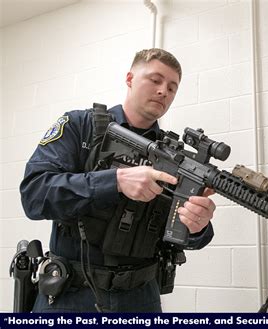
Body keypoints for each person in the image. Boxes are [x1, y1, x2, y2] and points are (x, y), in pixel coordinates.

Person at [20, 48, 217, 312]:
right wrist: (115, 181)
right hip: (71, 296)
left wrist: (197, 227)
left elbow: (183, 238)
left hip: (141, 298)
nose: (163, 92)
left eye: (172, 88)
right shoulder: (80, 126)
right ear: (130, 78)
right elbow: (34, 195)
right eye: (155, 80)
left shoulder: (176, 158)